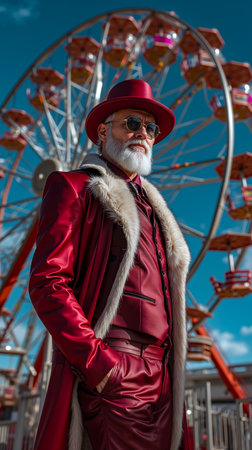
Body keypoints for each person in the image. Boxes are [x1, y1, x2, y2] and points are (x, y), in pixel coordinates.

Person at [29, 79, 190, 450]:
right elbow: (48, 281)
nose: (144, 134)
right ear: (103, 132)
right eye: (132, 123)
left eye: (151, 128)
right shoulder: (72, 187)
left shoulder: (158, 211)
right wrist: (102, 366)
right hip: (116, 369)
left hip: (166, 379)